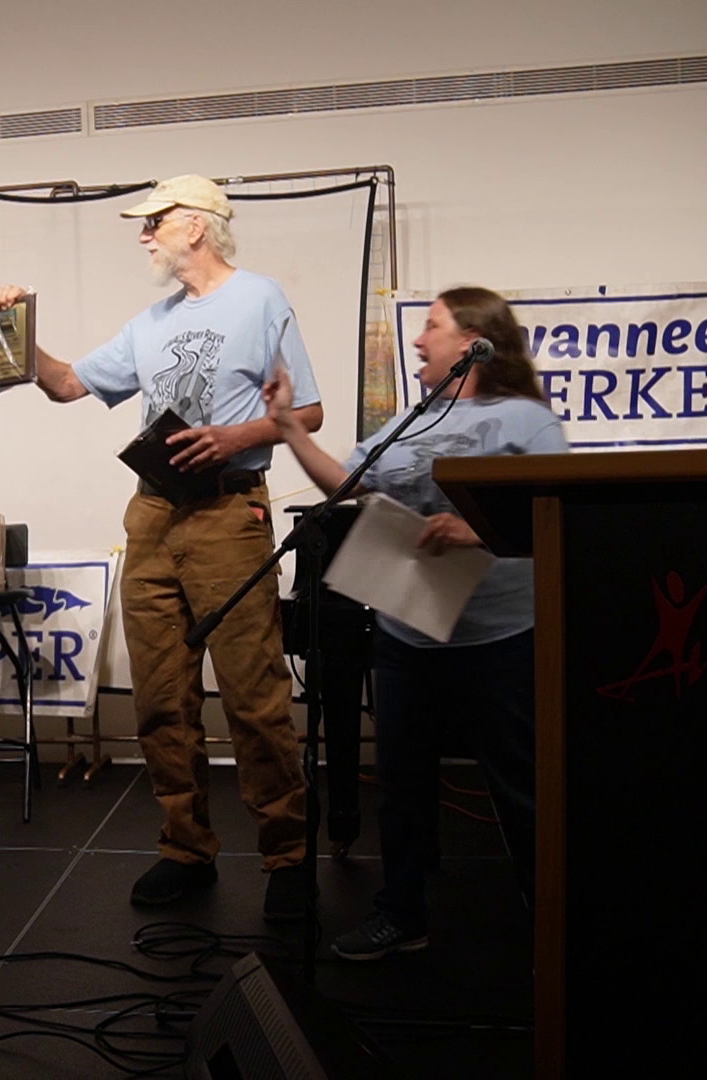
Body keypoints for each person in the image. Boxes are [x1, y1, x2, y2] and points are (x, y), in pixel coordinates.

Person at [0, 175, 326, 922]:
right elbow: (71, 385)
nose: (144, 234)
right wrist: (22, 330)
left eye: (156, 222)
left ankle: (288, 856)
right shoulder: (151, 320)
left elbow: (308, 409)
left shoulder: (261, 299)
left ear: (198, 228)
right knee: (160, 695)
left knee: (254, 694)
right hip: (152, 514)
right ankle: (185, 848)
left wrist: (234, 436)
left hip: (229, 511)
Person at [263, 285, 568, 959]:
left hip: (500, 638)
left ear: (473, 342)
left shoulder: (528, 422)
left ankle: (551, 912)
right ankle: (401, 912)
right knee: (400, 783)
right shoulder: (413, 419)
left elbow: (556, 512)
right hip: (407, 631)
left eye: (432, 326)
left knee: (521, 782)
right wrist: (287, 429)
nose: (419, 340)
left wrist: (480, 528)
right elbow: (351, 486)